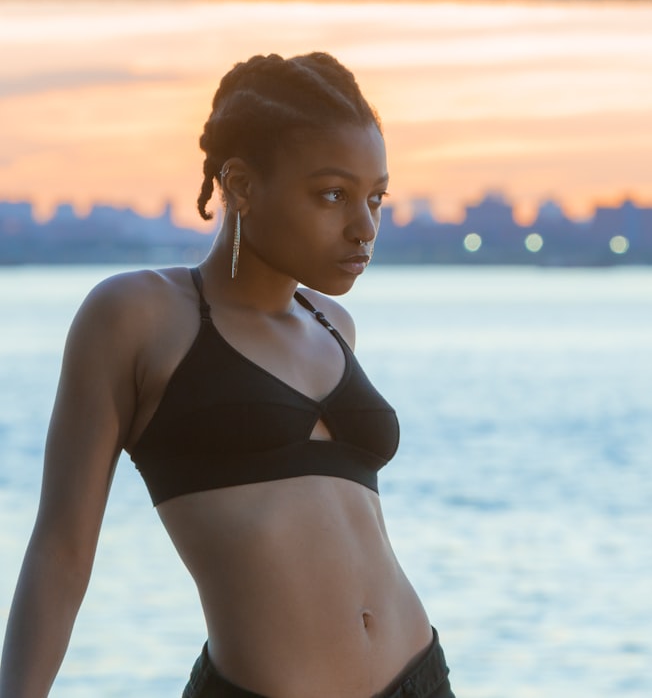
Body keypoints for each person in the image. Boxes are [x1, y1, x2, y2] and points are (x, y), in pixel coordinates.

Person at [0, 52, 454, 698]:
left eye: (376, 197)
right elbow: (62, 550)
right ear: (239, 185)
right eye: (332, 195)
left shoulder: (331, 325)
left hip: (421, 680)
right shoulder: (135, 316)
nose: (365, 227)